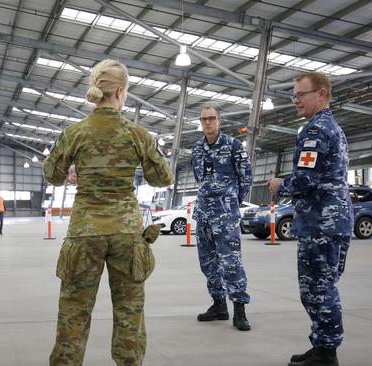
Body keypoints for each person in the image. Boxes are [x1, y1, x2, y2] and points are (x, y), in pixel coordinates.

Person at [43, 59, 174, 366]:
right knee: (129, 313)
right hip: (126, 234)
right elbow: (163, 178)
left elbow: (53, 175)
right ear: (119, 91)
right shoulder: (138, 135)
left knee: (74, 313)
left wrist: (76, 167)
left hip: (84, 232)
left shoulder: (75, 133)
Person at [266, 72, 353, 366]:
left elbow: (305, 180)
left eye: (301, 95)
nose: (296, 101)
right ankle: (322, 346)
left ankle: (327, 352)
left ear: (322, 94)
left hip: (322, 225)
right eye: (294, 96)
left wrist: (280, 186)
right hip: (332, 221)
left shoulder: (315, 131)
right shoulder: (332, 128)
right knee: (320, 286)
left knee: (318, 288)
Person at [191, 104, 253, 331]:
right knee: (207, 262)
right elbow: (200, 178)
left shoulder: (234, 145)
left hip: (225, 215)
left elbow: (246, 177)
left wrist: (230, 201)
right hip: (204, 214)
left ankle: (239, 310)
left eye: (211, 118)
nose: (207, 122)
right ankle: (219, 305)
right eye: (203, 119)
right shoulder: (197, 148)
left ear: (220, 120)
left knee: (231, 262)